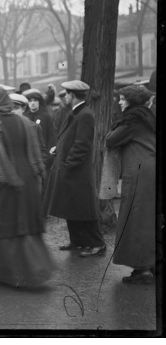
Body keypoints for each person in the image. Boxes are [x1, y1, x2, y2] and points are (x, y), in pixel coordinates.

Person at [0, 86, 53, 288]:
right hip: (28, 183)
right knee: (25, 229)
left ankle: (5, 274)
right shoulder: (25, 122)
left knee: (1, 232)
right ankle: (32, 271)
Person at [44, 80, 106, 257]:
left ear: (72, 95)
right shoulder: (77, 112)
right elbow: (70, 138)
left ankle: (97, 244)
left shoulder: (84, 114)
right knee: (72, 207)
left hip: (77, 171)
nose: (64, 97)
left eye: (66, 94)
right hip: (71, 169)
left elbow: (81, 145)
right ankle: (78, 241)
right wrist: (59, 149)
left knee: (84, 209)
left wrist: (67, 164)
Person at [105, 85, 155, 284]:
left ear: (132, 101)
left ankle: (142, 270)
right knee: (146, 218)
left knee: (136, 220)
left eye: (123, 99)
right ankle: (148, 265)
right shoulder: (146, 115)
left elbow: (111, 139)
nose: (120, 101)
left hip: (139, 172)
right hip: (148, 169)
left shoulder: (132, 119)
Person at [23, 88, 56, 169]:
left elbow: (51, 136)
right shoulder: (24, 116)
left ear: (39, 102)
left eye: (35, 100)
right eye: (30, 101)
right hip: (28, 155)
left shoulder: (46, 116)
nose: (33, 103)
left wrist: (48, 155)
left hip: (43, 155)